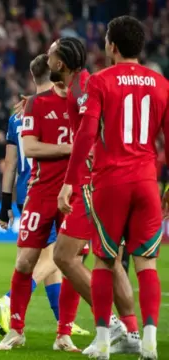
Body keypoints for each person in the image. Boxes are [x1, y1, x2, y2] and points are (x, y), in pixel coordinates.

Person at [58, 15, 167, 360]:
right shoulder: (162, 83)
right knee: (146, 264)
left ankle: (104, 339)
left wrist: (70, 184)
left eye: (106, 40)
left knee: (105, 262)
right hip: (147, 181)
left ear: (113, 46)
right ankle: (149, 339)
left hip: (111, 182)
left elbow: (86, 136)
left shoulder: (100, 82)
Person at [46, 37, 140, 354]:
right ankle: (131, 334)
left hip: (91, 182)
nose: (46, 58)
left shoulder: (83, 87)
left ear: (61, 63)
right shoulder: (80, 86)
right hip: (114, 177)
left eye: (50, 54)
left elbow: (91, 131)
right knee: (109, 260)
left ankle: (111, 326)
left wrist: (72, 180)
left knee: (63, 256)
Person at [0, 55, 89, 339]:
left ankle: (65, 324)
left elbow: (9, 163)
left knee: (50, 258)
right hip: (52, 187)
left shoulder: (17, 114)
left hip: (27, 189)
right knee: (62, 257)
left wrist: (5, 203)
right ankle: (9, 300)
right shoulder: (70, 105)